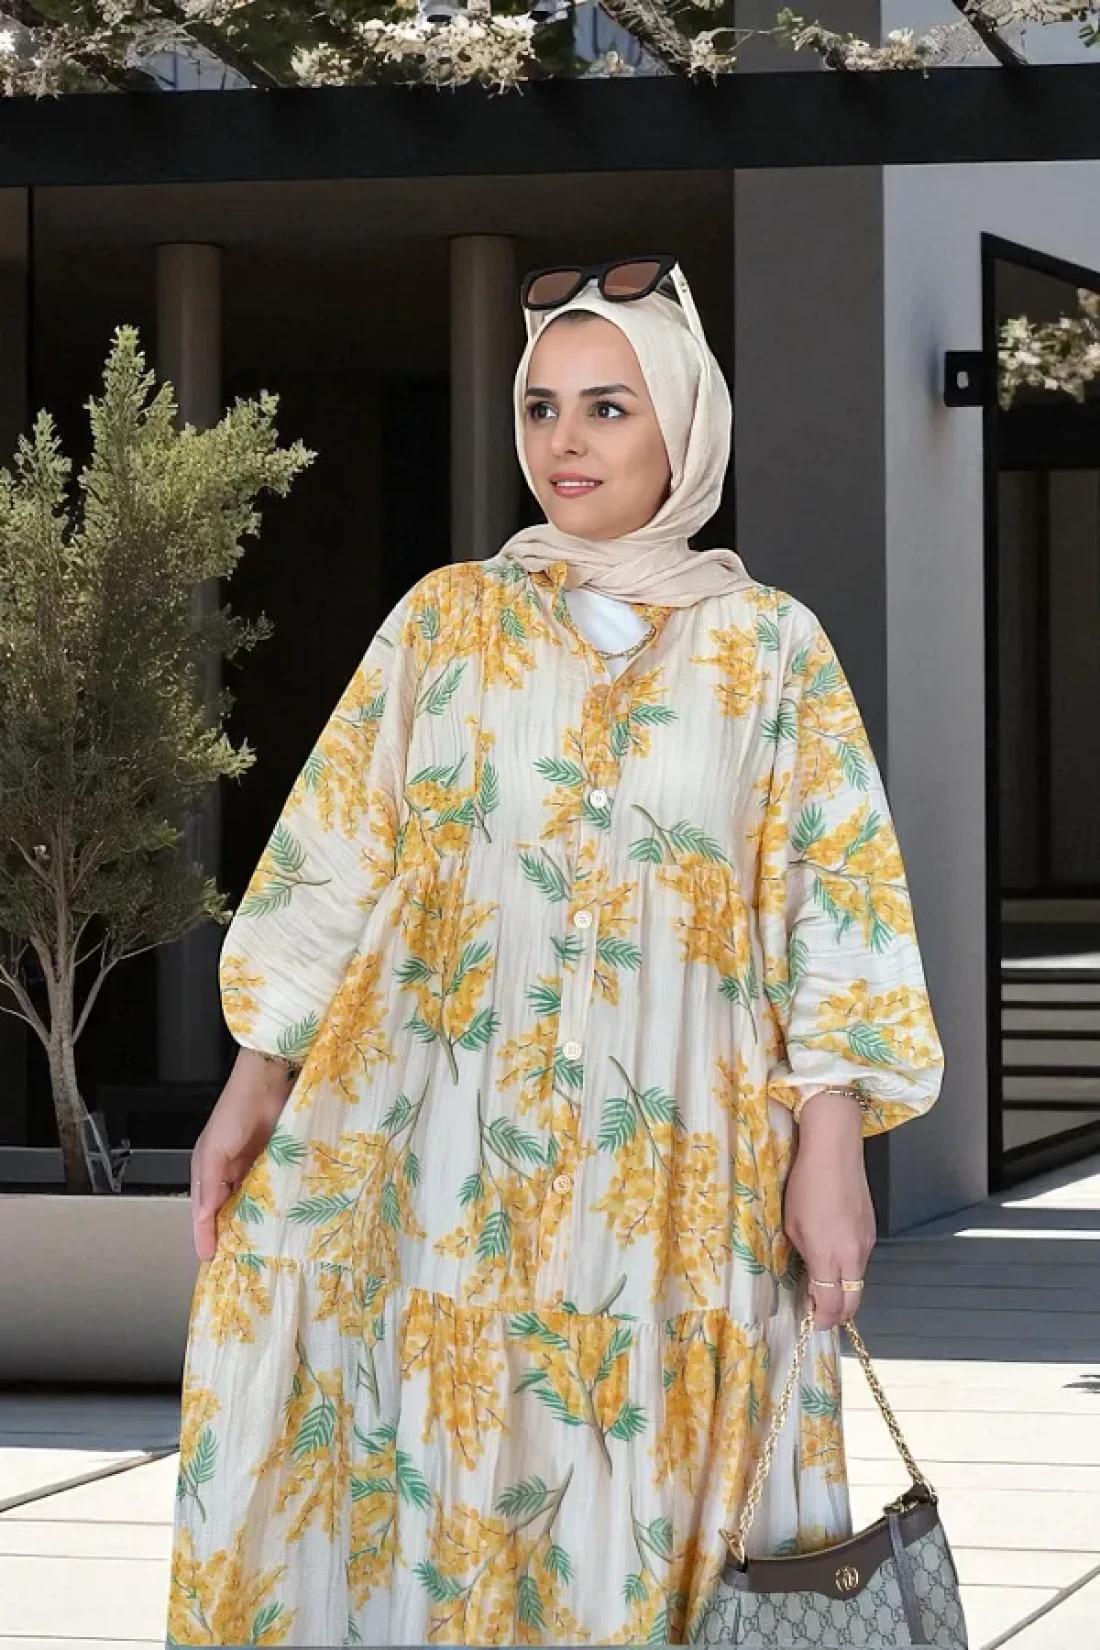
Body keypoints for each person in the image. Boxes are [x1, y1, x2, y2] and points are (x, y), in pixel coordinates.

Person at [167, 256, 944, 1647]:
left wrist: (832, 1139)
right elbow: (335, 859)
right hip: (441, 1170)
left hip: (682, 1189)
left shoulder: (770, 652)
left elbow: (837, 904)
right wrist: (255, 1078)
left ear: (684, 427)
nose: (564, 441)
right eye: (541, 406)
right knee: (444, 1468)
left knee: (654, 1500)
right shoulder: (445, 623)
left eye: (607, 406)